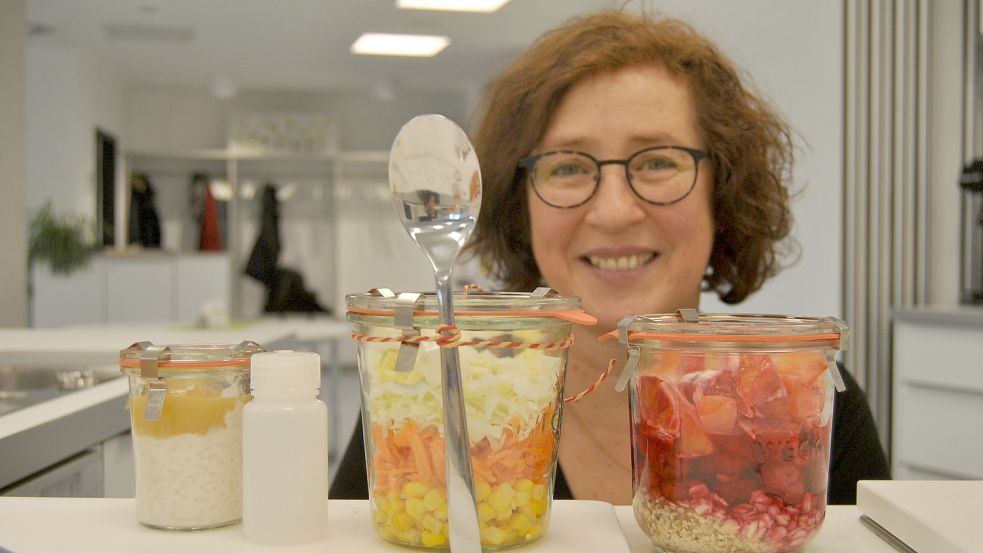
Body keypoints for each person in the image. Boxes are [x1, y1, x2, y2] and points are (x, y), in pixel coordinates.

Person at [331, 9, 889, 505]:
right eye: (569, 167)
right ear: (519, 207)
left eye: (658, 161)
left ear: (723, 193)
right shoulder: (423, 388)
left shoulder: (805, 402)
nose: (616, 211)